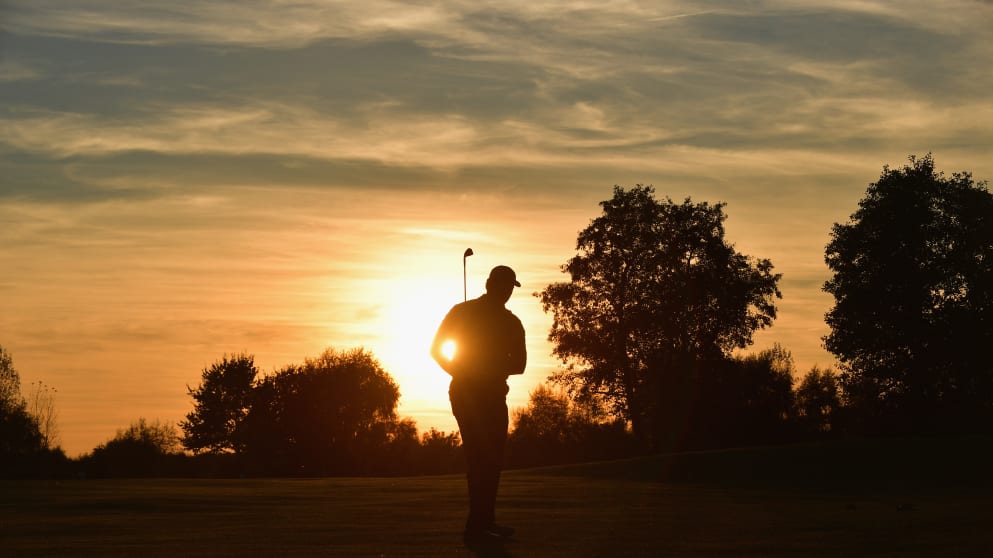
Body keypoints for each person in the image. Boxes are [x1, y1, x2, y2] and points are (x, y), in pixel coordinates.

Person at [431, 265, 526, 544]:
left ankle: (485, 522)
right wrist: (465, 373)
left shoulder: (503, 320)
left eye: (509, 287)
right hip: (472, 394)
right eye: (504, 286)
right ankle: (478, 526)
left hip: (483, 392)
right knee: (481, 458)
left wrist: (466, 371)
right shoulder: (495, 318)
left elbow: (519, 365)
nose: (506, 292)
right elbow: (436, 349)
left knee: (488, 460)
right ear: (490, 284)